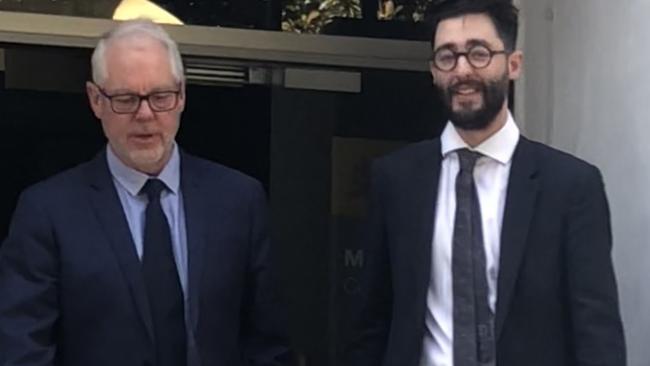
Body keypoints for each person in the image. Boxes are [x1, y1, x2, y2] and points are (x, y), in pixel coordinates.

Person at [343, 1, 626, 365]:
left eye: (479, 53)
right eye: (447, 56)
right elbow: (370, 322)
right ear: (433, 71)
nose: (462, 70)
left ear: (513, 64)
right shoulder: (396, 181)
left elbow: (596, 334)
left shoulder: (570, 187)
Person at [0, 19, 292, 366]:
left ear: (182, 96)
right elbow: (23, 348)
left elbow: (267, 342)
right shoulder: (48, 211)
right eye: (125, 99)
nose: (145, 114)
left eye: (160, 97)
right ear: (96, 100)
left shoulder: (239, 200)